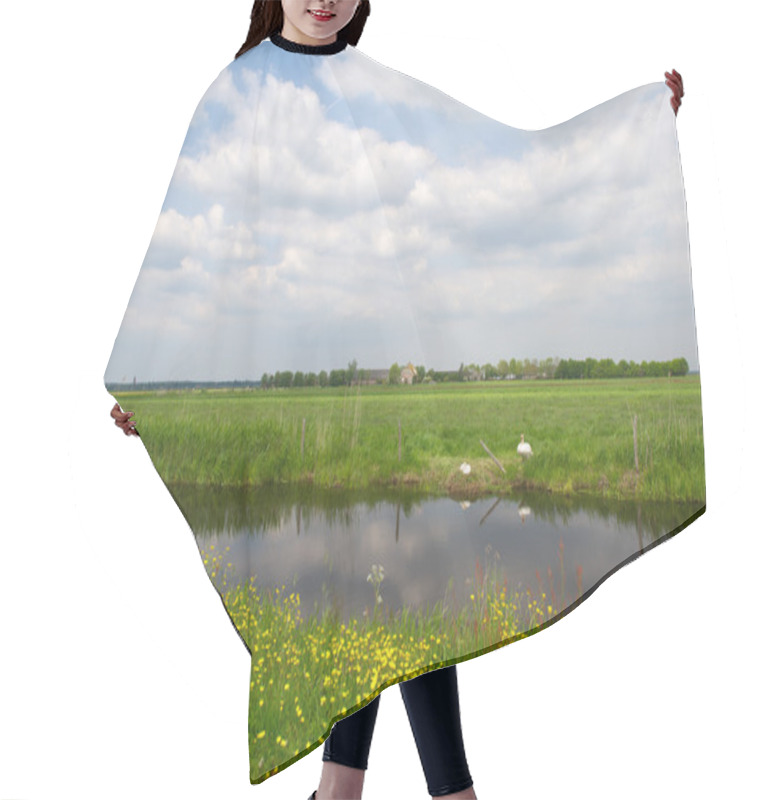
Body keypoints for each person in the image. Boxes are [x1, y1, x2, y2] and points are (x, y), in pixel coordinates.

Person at [110, 2, 685, 798]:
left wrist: (634, 132)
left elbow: (493, 176)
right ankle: (421, 792)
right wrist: (154, 390)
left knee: (407, 597)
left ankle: (356, 791)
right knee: (375, 603)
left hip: (383, 398)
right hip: (301, 397)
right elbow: (195, 256)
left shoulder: (378, 90)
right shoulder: (236, 94)